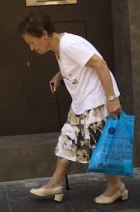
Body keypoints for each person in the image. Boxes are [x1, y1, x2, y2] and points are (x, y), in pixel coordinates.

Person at [18, 12, 127, 204]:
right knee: (67, 141)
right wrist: (60, 76)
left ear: (44, 34)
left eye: (32, 42)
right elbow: (78, 63)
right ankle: (55, 183)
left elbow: (100, 64)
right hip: (81, 103)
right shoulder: (60, 47)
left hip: (96, 100)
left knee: (101, 146)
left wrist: (111, 99)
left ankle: (115, 186)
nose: (32, 48)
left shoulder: (69, 44)